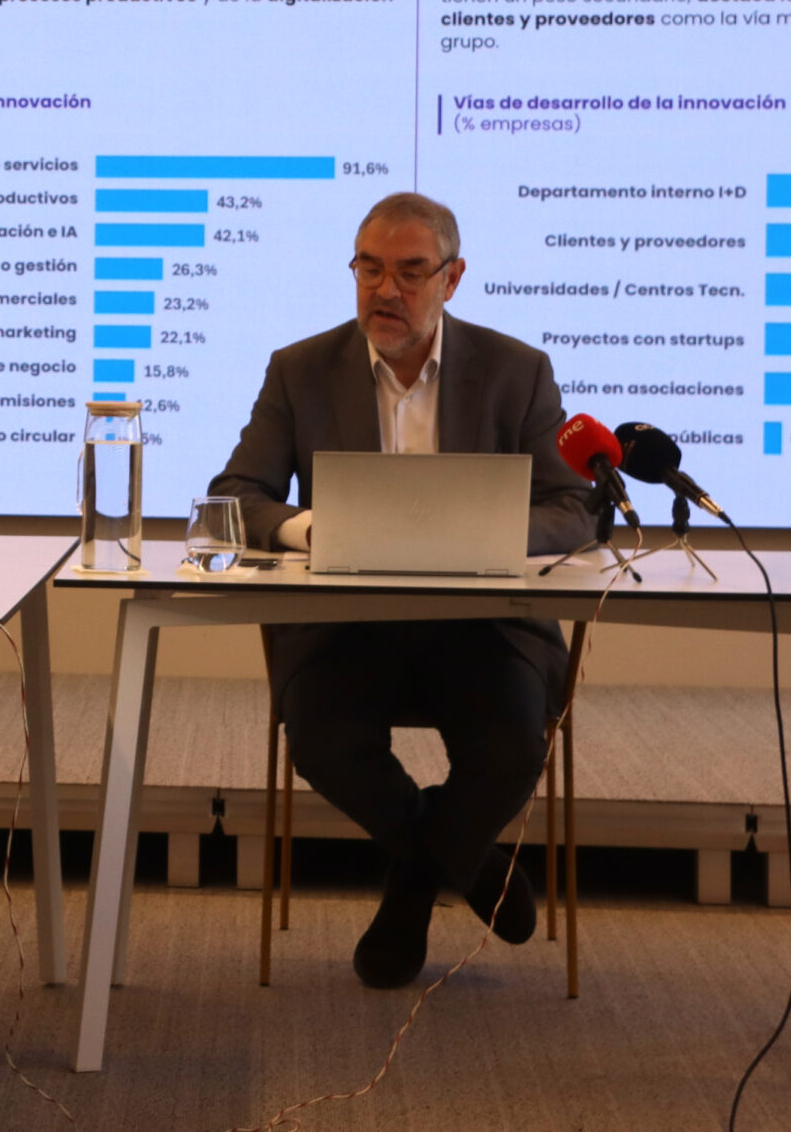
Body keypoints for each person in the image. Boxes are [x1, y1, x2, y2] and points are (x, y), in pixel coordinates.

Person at [209, 191, 593, 989]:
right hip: (349, 624)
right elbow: (236, 496)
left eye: (410, 272)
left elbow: (574, 508)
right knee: (320, 737)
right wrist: (311, 527)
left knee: (513, 745)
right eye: (370, 269)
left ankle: (413, 885)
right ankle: (468, 860)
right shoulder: (301, 369)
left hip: (484, 626)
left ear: (452, 278)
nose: (386, 290)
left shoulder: (517, 370)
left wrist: (485, 532)